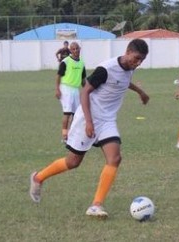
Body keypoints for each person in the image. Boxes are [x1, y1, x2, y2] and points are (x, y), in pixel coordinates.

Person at [30, 39, 149, 218]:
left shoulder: (130, 68)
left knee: (115, 158)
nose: (138, 63)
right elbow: (85, 91)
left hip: (107, 120)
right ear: (128, 51)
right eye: (137, 58)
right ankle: (38, 178)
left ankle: (96, 205)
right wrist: (88, 122)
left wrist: (140, 91)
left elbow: (122, 82)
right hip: (88, 117)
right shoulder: (106, 69)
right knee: (73, 162)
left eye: (142, 60)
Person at [55, 42, 86, 142]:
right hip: (66, 89)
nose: (76, 50)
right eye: (73, 49)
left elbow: (83, 80)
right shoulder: (66, 61)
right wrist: (57, 89)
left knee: (76, 114)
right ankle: (64, 136)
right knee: (67, 113)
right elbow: (58, 76)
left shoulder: (81, 62)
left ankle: (72, 135)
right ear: (70, 50)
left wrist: (88, 90)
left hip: (75, 90)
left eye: (77, 48)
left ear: (80, 49)